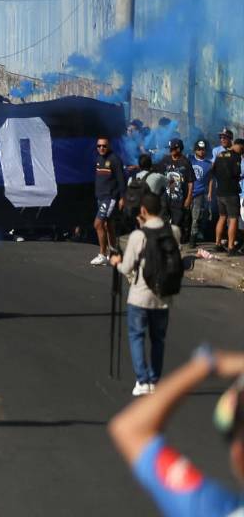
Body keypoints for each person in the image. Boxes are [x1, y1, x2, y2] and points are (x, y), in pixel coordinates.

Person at [108, 345, 244, 516]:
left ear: (239, 455)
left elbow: (130, 428)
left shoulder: (211, 509)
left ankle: (146, 381)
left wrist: (207, 363)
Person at [109, 192, 179, 397]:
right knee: (158, 340)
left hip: (140, 295)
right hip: (163, 296)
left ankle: (142, 380)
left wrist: (116, 262)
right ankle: (155, 380)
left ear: (143, 210)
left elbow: (126, 267)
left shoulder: (138, 236)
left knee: (137, 336)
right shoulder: (174, 231)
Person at [90, 135, 127, 266]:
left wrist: (122, 198)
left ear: (109, 146)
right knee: (108, 225)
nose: (101, 148)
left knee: (98, 224)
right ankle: (113, 252)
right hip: (100, 197)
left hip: (110, 197)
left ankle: (102, 254)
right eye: (99, 146)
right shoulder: (98, 158)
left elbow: (121, 180)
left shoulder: (115, 160)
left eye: (104, 146)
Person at [208, 137, 242, 253]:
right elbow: (236, 173)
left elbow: (212, 171)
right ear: (238, 145)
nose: (242, 152)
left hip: (220, 192)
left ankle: (217, 244)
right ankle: (231, 248)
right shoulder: (236, 156)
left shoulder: (220, 155)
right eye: (242, 149)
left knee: (222, 217)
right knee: (233, 219)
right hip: (231, 193)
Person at [158, 139, 195, 244]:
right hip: (165, 197)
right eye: (170, 149)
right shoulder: (165, 160)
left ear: (179, 148)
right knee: (162, 221)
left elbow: (191, 182)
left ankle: (174, 244)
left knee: (177, 223)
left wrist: (189, 198)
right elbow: (159, 176)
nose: (171, 151)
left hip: (179, 199)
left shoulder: (185, 162)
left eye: (173, 149)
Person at [189, 138, 213, 246]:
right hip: (188, 192)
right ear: (195, 150)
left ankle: (192, 238)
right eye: (199, 149)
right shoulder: (189, 160)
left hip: (199, 193)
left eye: (203, 149)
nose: (201, 151)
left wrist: (210, 192)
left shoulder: (209, 164)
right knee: (187, 215)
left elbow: (211, 179)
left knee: (196, 216)